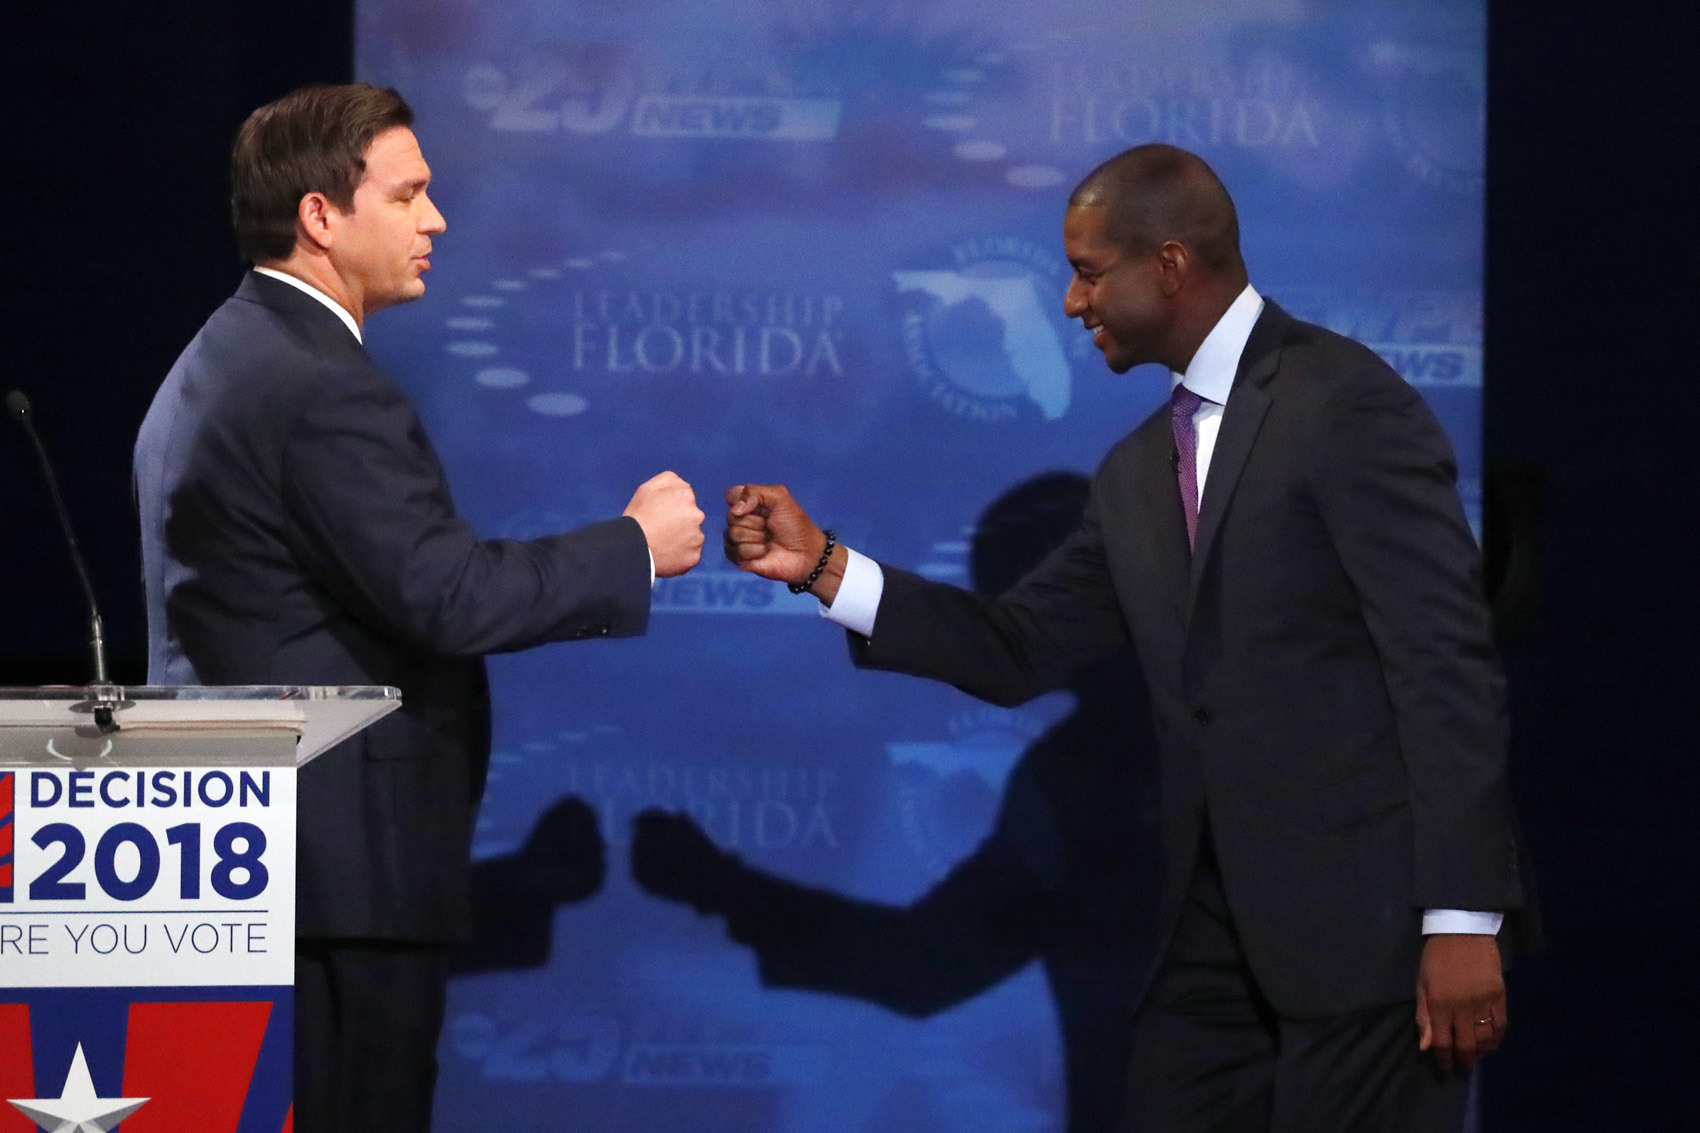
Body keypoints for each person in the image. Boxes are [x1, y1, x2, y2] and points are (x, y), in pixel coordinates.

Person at [723, 144, 1523, 1131]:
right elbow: (1013, 646)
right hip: (1203, 946)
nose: (1067, 301)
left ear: (1171, 265)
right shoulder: (1138, 471)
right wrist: (821, 567)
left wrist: (1458, 918)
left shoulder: (1342, 404)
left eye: (1089, 272)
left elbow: (1441, 660)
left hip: (1368, 941)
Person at [133, 83, 705, 1133]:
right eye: (408, 194)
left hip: (264, 864)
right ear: (320, 214)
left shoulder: (225, 356)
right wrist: (635, 547)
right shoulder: (317, 383)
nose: (436, 219)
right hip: (338, 879)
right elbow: (446, 595)